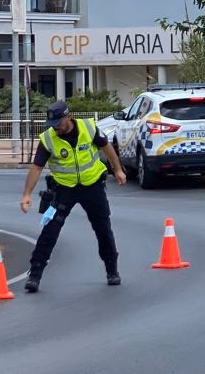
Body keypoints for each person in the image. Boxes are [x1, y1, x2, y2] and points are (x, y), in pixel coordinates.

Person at [19, 101, 127, 293]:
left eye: (58, 124)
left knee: (103, 229)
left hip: (92, 186)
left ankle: (112, 270)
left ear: (68, 117)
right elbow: (37, 167)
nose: (55, 128)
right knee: (49, 231)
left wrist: (117, 169)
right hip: (63, 190)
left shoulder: (89, 128)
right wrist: (27, 194)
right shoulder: (47, 139)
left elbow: (107, 147)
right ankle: (34, 275)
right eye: (52, 125)